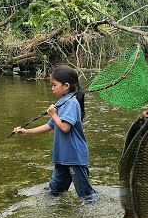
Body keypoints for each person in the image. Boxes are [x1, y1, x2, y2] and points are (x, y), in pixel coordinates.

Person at [13, 65, 98, 203]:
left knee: (86, 196)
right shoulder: (62, 102)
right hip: (62, 158)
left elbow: (65, 127)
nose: (52, 88)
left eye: (54, 85)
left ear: (66, 85)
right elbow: (50, 125)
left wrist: (53, 114)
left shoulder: (71, 103)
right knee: (53, 193)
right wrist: (27, 132)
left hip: (75, 158)